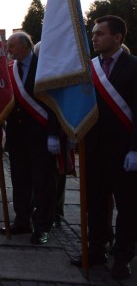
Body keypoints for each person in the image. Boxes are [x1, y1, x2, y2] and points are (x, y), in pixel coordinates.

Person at [70, 15, 137, 280]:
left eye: (100, 34)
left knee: (128, 208)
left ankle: (122, 257)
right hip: (93, 150)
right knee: (94, 205)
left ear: (118, 37)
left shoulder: (133, 67)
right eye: (94, 33)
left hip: (124, 153)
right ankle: (95, 249)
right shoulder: (89, 68)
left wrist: (135, 149)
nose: (94, 38)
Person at [2, 31, 60, 245]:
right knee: (20, 180)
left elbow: (54, 103)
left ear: (26, 46)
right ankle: (22, 220)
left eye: (12, 46)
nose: (8, 50)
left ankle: (43, 225)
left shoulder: (44, 67)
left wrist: (54, 134)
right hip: (18, 137)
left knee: (43, 182)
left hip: (41, 136)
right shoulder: (11, 69)